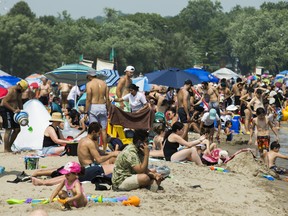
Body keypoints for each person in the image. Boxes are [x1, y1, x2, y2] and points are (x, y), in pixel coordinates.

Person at [85, 69, 110, 151]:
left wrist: (85, 112)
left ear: (89, 76)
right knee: (103, 130)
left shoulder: (89, 84)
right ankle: (104, 149)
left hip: (94, 107)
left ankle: (95, 149)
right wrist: (108, 109)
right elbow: (107, 98)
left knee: (94, 130)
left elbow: (88, 99)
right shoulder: (104, 83)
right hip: (103, 106)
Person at [0, 80, 28, 152]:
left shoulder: (19, 92)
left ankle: (9, 146)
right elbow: (4, 102)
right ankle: (6, 148)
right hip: (5, 110)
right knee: (8, 129)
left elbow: (19, 101)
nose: (23, 91)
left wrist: (22, 111)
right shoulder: (11, 90)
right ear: (19, 86)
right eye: (23, 89)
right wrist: (13, 110)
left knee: (17, 129)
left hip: (14, 111)